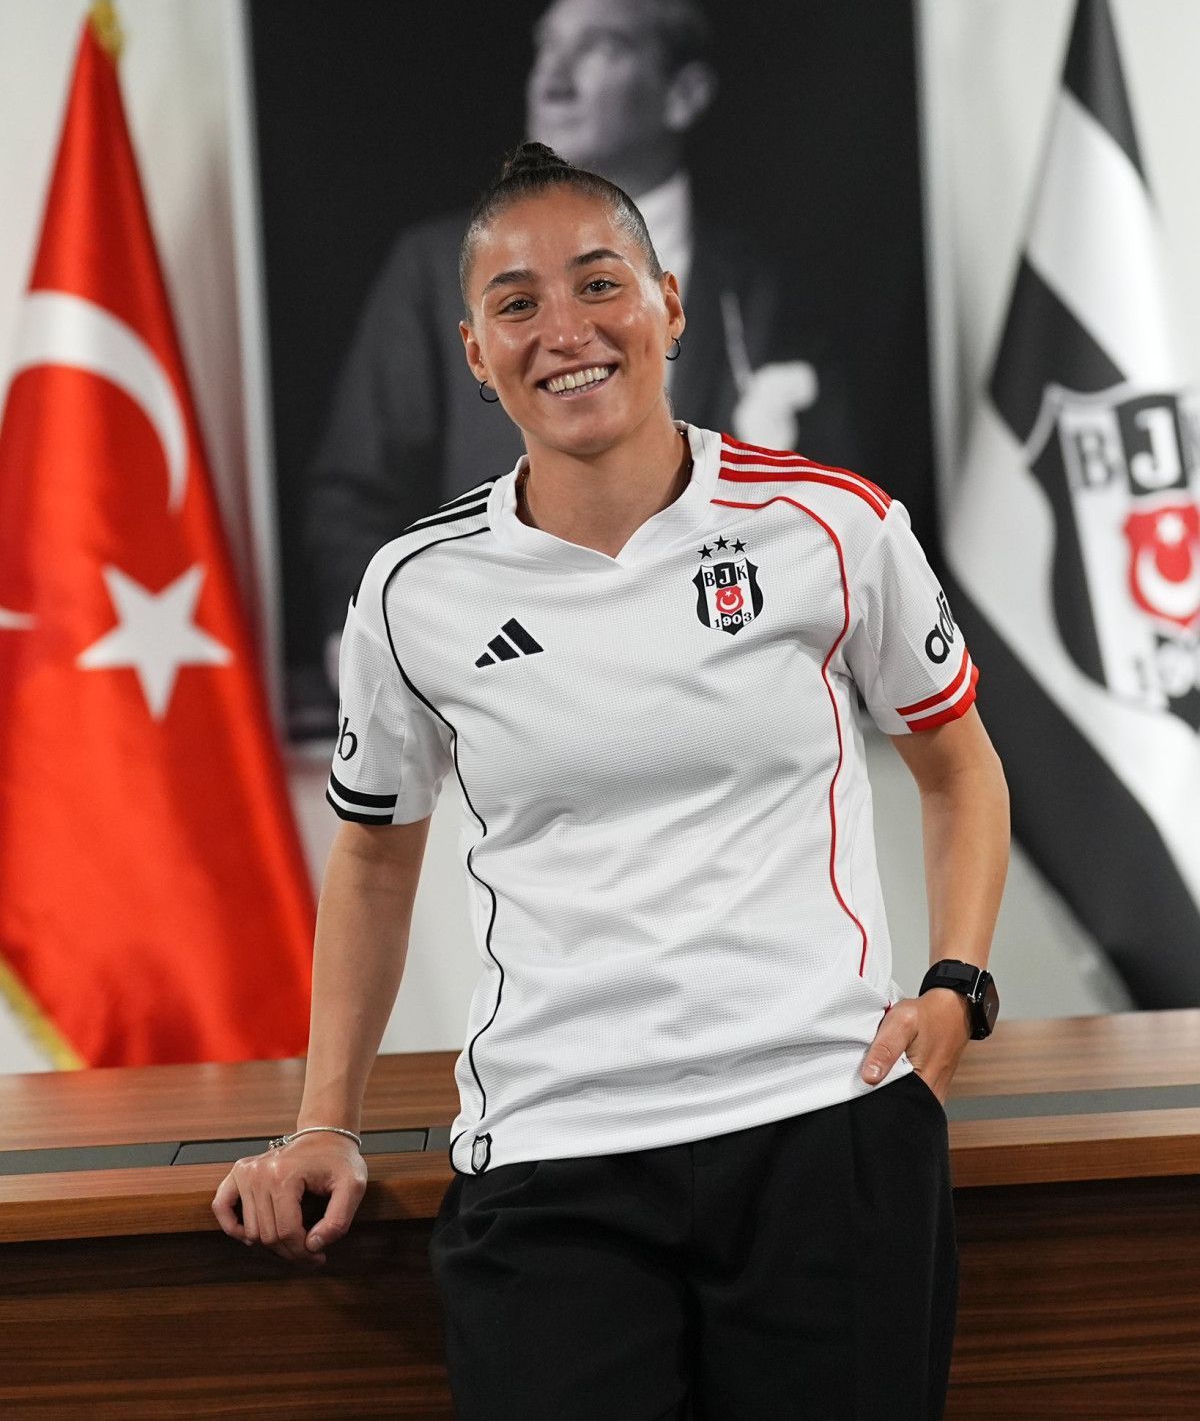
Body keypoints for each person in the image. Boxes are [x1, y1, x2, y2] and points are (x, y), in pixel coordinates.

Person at [214, 144, 1009, 1420]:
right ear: (475, 353)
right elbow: (373, 862)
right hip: (551, 1152)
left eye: (599, 283)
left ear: (668, 305)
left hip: (825, 1122)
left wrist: (958, 986)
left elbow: (959, 769)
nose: (565, 331)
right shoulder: (412, 590)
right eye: (516, 303)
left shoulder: (835, 524)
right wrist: (325, 1122)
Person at [305, 0, 843, 686]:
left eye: (601, 48)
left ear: (684, 94)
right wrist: (390, 654)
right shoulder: (436, 269)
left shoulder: (771, 283)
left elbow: (828, 507)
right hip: (504, 693)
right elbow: (355, 497)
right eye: (546, 48)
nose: (552, 80)